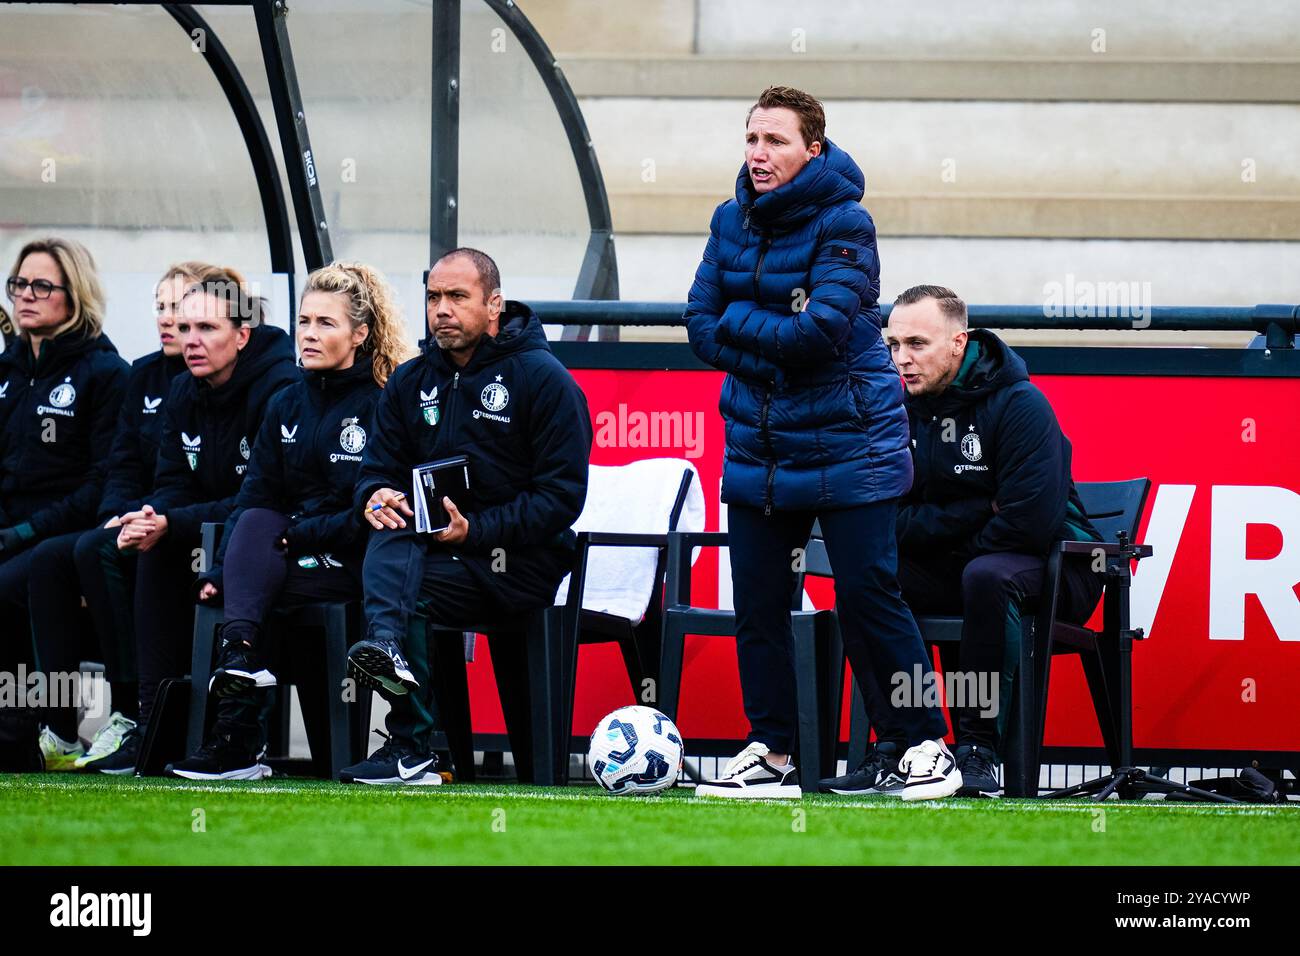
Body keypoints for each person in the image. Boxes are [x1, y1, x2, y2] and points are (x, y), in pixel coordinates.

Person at [684, 86, 960, 800]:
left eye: (775, 141)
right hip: (759, 444)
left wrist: (745, 324)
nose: (758, 154)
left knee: (869, 593)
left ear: (812, 150)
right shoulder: (726, 219)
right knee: (759, 605)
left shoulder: (846, 221)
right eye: (751, 139)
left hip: (851, 442)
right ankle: (772, 754)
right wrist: (767, 340)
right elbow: (698, 324)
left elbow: (821, 333)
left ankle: (922, 745)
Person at [343, 247, 591, 785]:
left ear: (494, 303)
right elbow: (375, 469)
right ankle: (396, 682)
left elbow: (561, 499)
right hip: (430, 549)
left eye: (457, 297)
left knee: (404, 586)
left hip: (517, 562)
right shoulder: (409, 381)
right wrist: (375, 496)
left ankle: (411, 745)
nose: (442, 310)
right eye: (433, 297)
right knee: (388, 531)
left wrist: (476, 530)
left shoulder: (544, 379)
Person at [847, 284, 1102, 797]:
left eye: (917, 343)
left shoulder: (1020, 404)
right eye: (893, 345)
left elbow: (1030, 522)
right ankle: (902, 746)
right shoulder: (892, 408)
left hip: (1059, 569)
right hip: (963, 564)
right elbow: (882, 521)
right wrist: (971, 511)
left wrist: (935, 528)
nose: (902, 359)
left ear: (960, 343)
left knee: (985, 577)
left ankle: (978, 749)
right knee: (863, 579)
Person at [164, 262, 414, 780]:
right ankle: (239, 666)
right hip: (284, 549)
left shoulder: (385, 400)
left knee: (261, 583)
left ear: (360, 334)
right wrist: (221, 571)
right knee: (254, 526)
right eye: (304, 321)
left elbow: (369, 513)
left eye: (326, 323)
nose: (309, 334)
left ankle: (237, 740)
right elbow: (254, 500)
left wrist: (291, 535)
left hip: (353, 559)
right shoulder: (286, 403)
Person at [92, 268, 298, 774]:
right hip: (198, 532)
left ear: (242, 334)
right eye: (184, 329)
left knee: (203, 539)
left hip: (267, 535)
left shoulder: (279, 387)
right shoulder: (184, 390)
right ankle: (152, 722)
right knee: (142, 546)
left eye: (206, 329)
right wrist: (154, 516)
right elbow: (171, 483)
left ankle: (232, 733)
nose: (191, 341)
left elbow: (258, 497)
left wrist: (173, 520)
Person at [26, 262, 201, 772]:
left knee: (90, 550)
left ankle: (129, 714)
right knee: (48, 559)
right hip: (133, 519)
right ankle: (58, 729)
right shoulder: (142, 375)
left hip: (173, 527)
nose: (169, 321)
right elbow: (119, 465)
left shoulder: (204, 380)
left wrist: (147, 518)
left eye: (182, 311)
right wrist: (116, 515)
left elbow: (192, 478)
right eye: (162, 309)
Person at [0, 238, 130, 769]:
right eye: (18, 285)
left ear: (73, 296)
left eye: (41, 286)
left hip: (64, 533)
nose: (25, 296)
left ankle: (32, 729)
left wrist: (23, 533)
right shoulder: (5, 371)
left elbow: (101, 483)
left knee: (10, 584)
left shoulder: (105, 372)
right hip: (10, 528)